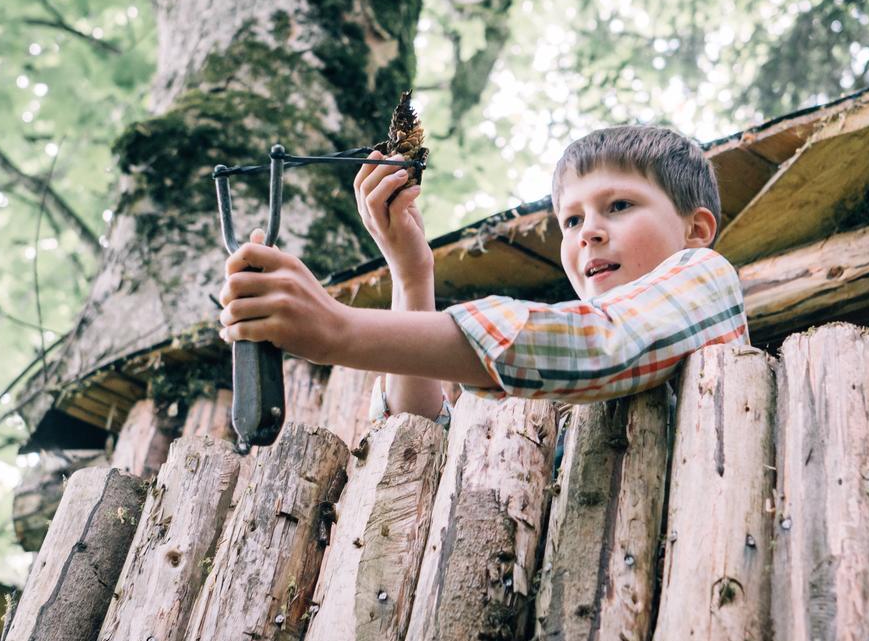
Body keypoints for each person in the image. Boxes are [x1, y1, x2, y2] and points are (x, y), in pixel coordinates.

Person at [218, 124, 749, 423]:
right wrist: (410, 275)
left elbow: (600, 346)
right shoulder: (537, 382)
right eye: (571, 218)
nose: (588, 231)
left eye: (619, 206)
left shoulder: (704, 277)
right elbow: (420, 435)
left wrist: (338, 331)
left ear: (696, 228)